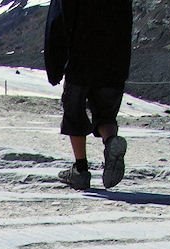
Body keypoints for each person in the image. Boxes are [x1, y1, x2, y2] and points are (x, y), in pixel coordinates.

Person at [44, 0, 132, 191]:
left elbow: (57, 22)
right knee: (105, 115)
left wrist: (54, 66)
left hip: (80, 59)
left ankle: (80, 170)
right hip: (114, 60)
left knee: (74, 114)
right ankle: (111, 142)